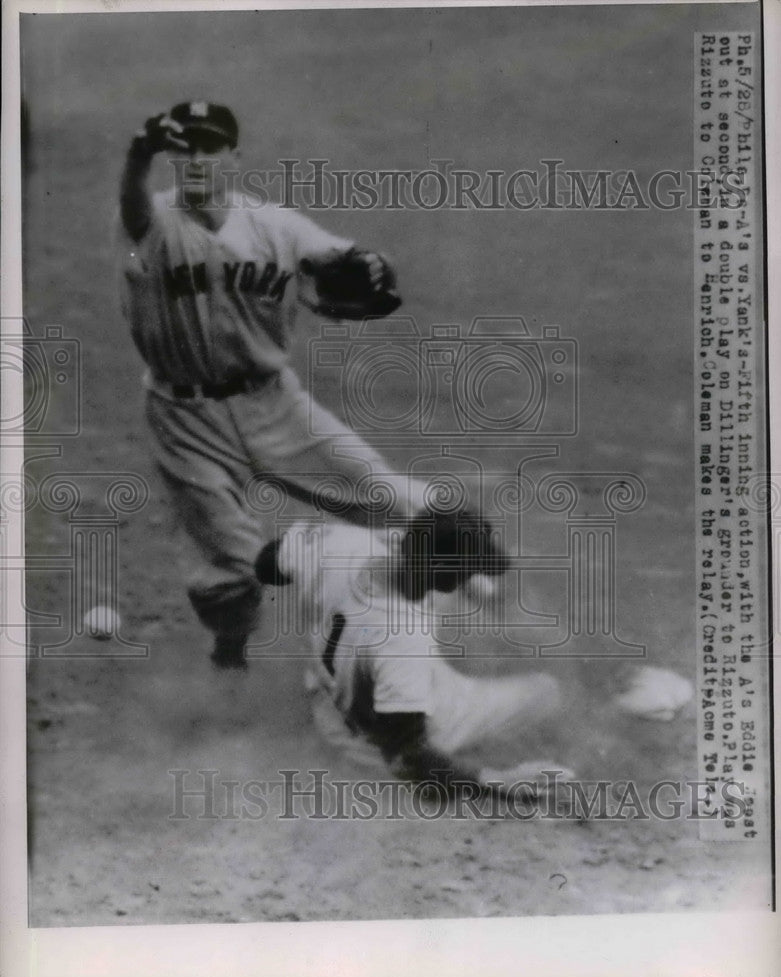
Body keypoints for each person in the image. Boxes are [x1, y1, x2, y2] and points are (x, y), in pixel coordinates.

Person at [116, 101, 425, 669]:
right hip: (184, 421)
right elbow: (132, 206)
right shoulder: (152, 222)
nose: (196, 162)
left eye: (209, 149)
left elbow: (343, 258)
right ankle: (230, 655)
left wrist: (374, 263)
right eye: (183, 151)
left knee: (395, 499)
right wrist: (138, 155)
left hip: (276, 405)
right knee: (234, 573)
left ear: (234, 157)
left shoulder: (276, 226)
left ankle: (471, 592)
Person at [255, 502, 576, 797]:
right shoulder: (404, 640)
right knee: (546, 692)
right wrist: (502, 781)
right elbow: (409, 757)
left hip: (327, 708)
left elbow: (265, 564)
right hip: (371, 748)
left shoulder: (342, 544)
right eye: (469, 569)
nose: (474, 574)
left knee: (398, 656)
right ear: (449, 576)